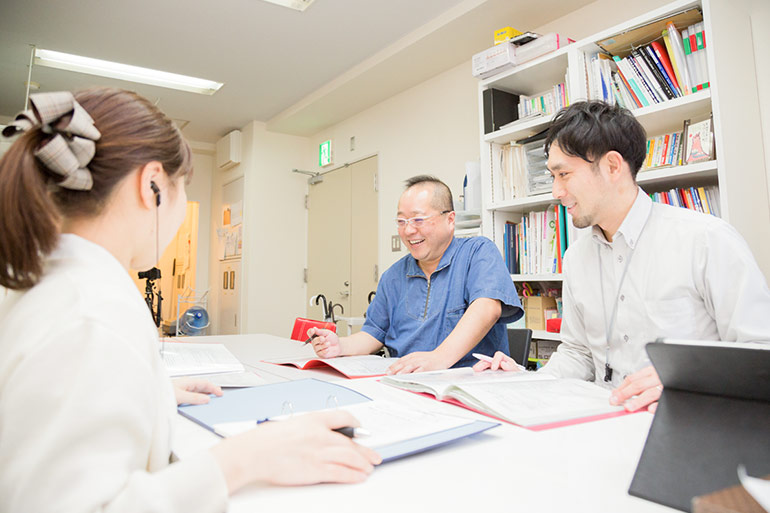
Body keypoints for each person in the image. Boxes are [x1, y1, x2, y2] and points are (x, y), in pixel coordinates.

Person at [0, 88, 380, 512]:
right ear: (152, 186)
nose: (180, 211)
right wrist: (246, 457)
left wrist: (150, 391)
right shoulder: (91, 315)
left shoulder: (54, 283)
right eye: (183, 188)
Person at [473, 100, 770, 412]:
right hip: (604, 422)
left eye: (564, 174)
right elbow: (579, 354)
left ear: (613, 167)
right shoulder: (576, 257)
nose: (556, 191)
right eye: (552, 177)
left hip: (691, 420)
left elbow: (761, 351)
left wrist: (689, 379)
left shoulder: (705, 240)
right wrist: (525, 380)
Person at [309, 175, 522, 374]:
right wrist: (340, 345)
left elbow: (487, 307)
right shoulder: (392, 276)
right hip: (406, 380)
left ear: (450, 220)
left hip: (467, 381)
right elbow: (374, 332)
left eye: (418, 220)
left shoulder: (477, 252)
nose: (408, 230)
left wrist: (439, 358)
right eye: (402, 221)